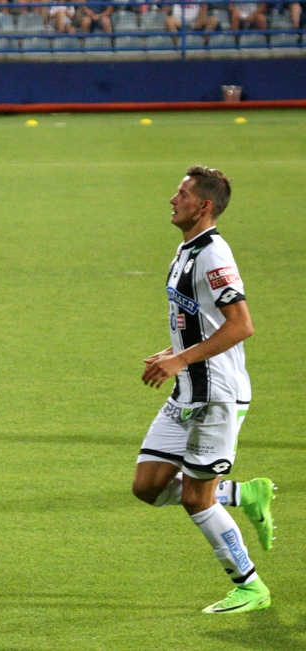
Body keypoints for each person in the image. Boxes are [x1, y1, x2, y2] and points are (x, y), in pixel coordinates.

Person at [132, 166, 275, 614]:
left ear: (204, 206)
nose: (173, 199)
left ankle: (250, 586)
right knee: (148, 486)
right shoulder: (186, 249)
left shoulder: (214, 255)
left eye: (182, 193)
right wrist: (170, 352)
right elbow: (202, 322)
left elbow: (241, 326)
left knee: (196, 498)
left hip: (216, 395)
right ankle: (243, 494)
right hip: (187, 391)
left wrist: (180, 359)